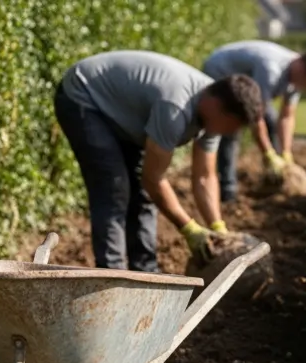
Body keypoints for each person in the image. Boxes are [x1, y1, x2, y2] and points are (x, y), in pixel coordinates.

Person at [54, 51, 265, 272]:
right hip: (84, 96)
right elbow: (153, 179)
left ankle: (145, 271)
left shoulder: (215, 111)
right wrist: (189, 228)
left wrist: (218, 228)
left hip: (121, 112)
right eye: (232, 126)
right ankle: (111, 274)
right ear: (217, 107)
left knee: (143, 196)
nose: (231, 133)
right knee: (114, 189)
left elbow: (204, 176)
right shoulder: (175, 107)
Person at [201, 42, 306, 201]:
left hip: (248, 87)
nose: (303, 86)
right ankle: (228, 189)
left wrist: (286, 153)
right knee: (230, 129)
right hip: (219, 71)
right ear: (301, 66)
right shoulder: (271, 69)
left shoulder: (296, 80)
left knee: (272, 122)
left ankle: (275, 179)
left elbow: (287, 116)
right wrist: (268, 153)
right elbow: (256, 115)